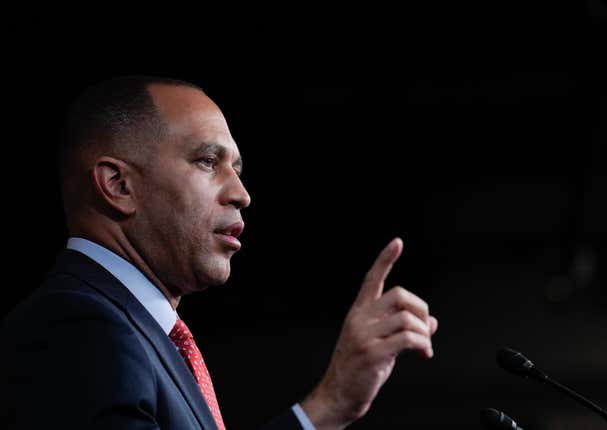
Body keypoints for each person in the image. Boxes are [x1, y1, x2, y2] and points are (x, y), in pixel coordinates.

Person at [0, 76, 439, 429]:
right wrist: (329, 403)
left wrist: (327, 412)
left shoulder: (135, 330)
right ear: (119, 185)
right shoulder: (76, 327)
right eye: (207, 162)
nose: (242, 194)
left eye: (237, 169)